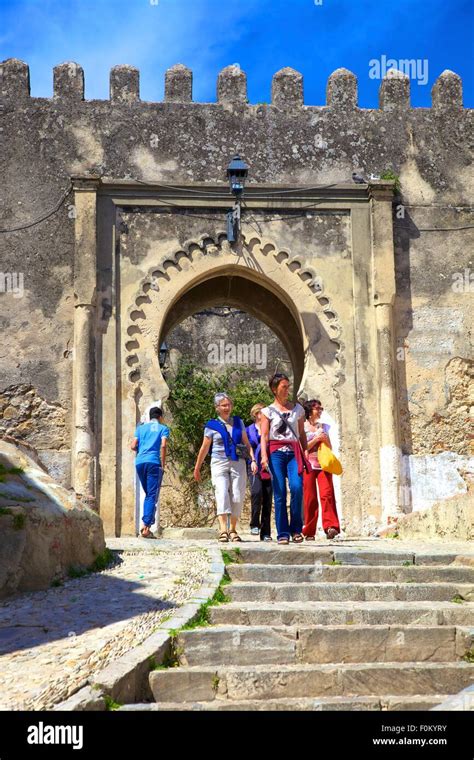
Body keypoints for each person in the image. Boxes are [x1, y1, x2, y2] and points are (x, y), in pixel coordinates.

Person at [194, 393, 257, 543]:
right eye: (223, 405)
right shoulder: (211, 426)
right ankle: (223, 529)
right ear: (217, 408)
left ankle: (233, 529)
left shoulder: (238, 422)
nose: (227, 407)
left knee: (237, 495)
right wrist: (197, 467)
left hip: (238, 462)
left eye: (229, 404)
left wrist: (253, 459)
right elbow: (204, 447)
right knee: (221, 492)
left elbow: (247, 443)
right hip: (218, 462)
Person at [260, 373, 307, 545]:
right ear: (274, 389)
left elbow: (301, 434)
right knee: (279, 492)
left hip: (294, 452)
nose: (287, 390)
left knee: (296, 488)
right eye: (284, 387)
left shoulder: (298, 410)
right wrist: (264, 457)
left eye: (288, 386)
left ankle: (296, 529)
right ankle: (283, 533)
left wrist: (306, 452)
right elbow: (264, 436)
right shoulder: (266, 412)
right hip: (276, 453)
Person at [302, 399, 340, 540]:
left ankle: (331, 527)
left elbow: (329, 446)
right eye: (317, 408)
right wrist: (317, 439)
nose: (320, 410)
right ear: (309, 411)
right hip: (309, 465)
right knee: (310, 497)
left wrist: (324, 439)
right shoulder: (302, 427)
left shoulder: (324, 426)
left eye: (320, 408)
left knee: (327, 494)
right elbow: (303, 447)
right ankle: (309, 531)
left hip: (323, 464)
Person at [131, 406, 169, 539]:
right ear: (160, 417)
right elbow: (163, 445)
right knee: (152, 495)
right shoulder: (163, 428)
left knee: (149, 495)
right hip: (154, 463)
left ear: (150, 417)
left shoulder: (140, 428)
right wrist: (163, 464)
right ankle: (145, 527)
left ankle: (147, 525)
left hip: (140, 462)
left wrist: (142, 449)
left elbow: (133, 445)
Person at [246, 403, 273, 541]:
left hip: (269, 465)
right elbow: (247, 447)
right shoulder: (249, 430)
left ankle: (266, 532)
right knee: (256, 493)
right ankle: (254, 523)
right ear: (257, 414)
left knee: (268, 498)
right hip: (254, 465)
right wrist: (252, 461)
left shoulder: (270, 429)